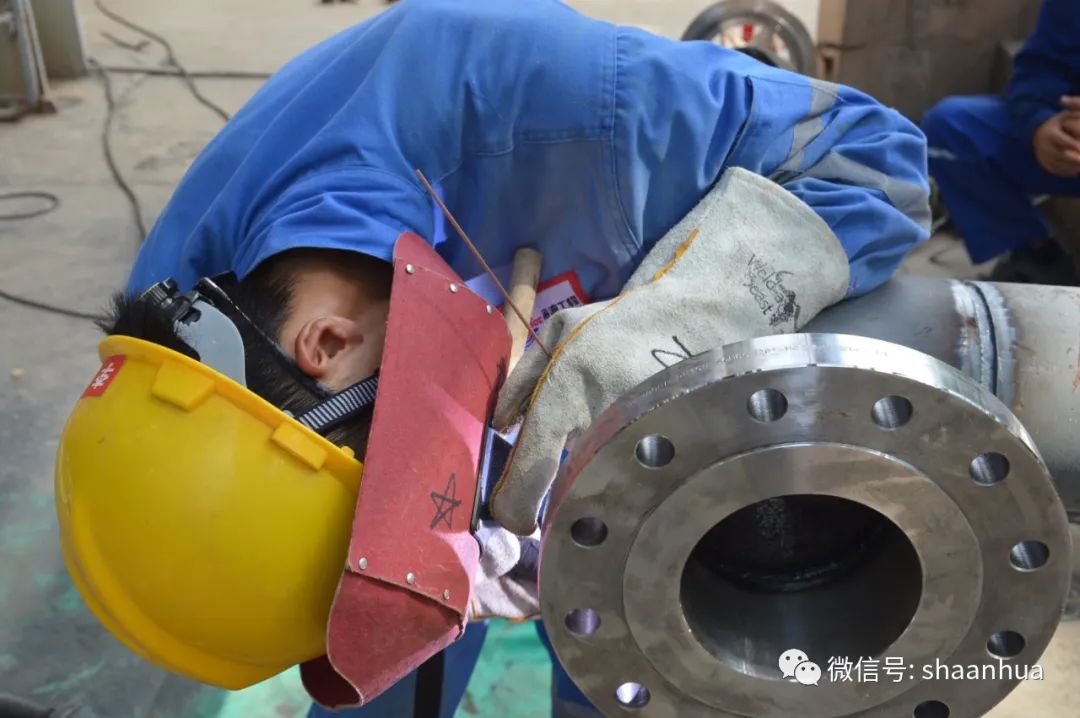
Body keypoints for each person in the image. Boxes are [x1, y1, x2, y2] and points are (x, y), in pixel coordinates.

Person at [55, 0, 929, 716]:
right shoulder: (171, 355)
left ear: (327, 343)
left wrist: (680, 321)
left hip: (635, 418)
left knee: (622, 651)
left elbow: (876, 161)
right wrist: (430, 552)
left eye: (396, 474)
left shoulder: (563, 102)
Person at [922, 0, 1080, 284]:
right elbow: (1040, 68)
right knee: (951, 126)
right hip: (1070, 144)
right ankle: (1036, 255)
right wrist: (1040, 124)